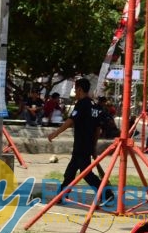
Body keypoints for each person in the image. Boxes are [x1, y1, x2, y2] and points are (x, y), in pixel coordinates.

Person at [47, 78, 115, 206]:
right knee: (71, 172)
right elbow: (97, 128)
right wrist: (93, 146)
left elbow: (71, 121)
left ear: (79, 89)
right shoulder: (94, 106)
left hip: (81, 145)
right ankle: (62, 196)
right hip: (87, 144)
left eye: (75, 89)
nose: (75, 93)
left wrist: (55, 133)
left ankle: (107, 194)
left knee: (86, 174)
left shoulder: (82, 104)